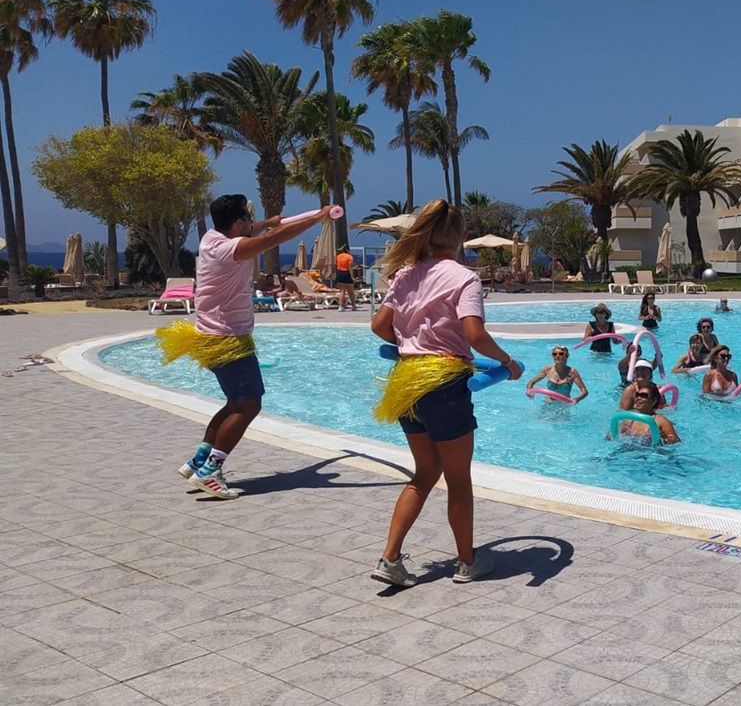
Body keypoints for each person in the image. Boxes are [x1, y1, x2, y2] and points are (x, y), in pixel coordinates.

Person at [369, 199, 522, 587]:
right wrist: (509, 362)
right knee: (457, 479)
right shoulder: (463, 278)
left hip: (407, 384)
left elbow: (380, 327)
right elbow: (474, 335)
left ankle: (390, 558)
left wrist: (410, 341)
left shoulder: (404, 275)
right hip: (444, 386)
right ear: (461, 238)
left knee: (423, 475)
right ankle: (467, 562)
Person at [164, 195, 334, 500]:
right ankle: (211, 471)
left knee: (234, 403)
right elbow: (275, 239)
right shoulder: (233, 248)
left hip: (211, 334)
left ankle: (198, 461)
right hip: (227, 336)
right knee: (249, 405)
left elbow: (259, 230)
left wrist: (264, 223)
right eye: (246, 220)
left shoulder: (211, 239)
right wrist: (316, 219)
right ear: (238, 223)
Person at [616, 381, 680, 445]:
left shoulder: (661, 422)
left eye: (643, 395)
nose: (638, 398)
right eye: (637, 395)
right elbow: (613, 435)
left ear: (653, 401)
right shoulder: (628, 419)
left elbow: (675, 444)